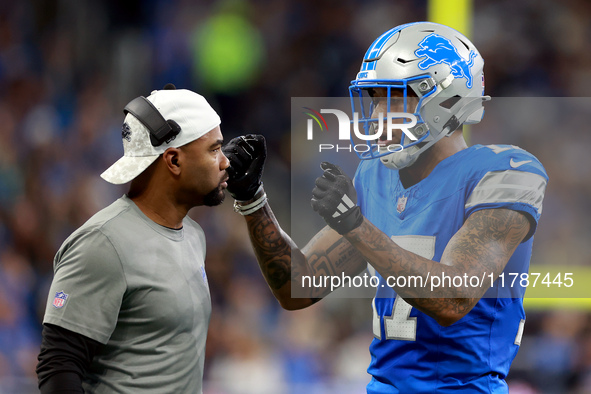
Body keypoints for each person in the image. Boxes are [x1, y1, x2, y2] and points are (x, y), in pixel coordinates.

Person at [222, 22, 548, 393]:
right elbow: (298, 286)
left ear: (447, 99)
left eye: (395, 97)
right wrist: (252, 200)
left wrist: (356, 226)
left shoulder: (505, 171)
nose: (379, 114)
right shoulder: (375, 175)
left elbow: (454, 298)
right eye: (375, 98)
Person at [36, 84, 230, 393]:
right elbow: (58, 368)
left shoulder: (194, 235)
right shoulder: (102, 243)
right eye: (214, 149)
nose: (225, 162)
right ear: (174, 160)